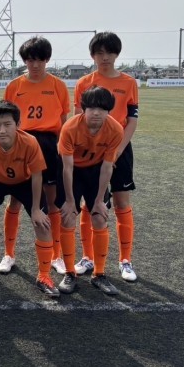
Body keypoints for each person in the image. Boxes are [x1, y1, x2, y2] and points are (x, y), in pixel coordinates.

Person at [0, 101, 59, 297]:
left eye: (7, 124)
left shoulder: (29, 142)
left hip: (25, 181)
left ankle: (44, 276)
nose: (2, 130)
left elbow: (37, 175)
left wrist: (36, 209)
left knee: (43, 224)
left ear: (18, 124)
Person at [73, 32, 139, 282]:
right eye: (99, 53)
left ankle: (125, 260)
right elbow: (78, 119)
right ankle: (88, 257)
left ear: (116, 54)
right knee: (90, 203)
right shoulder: (84, 82)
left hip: (120, 148)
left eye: (110, 52)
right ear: (92, 55)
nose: (105, 57)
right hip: (90, 151)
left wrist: (118, 148)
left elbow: (132, 120)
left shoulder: (129, 83)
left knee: (121, 202)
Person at [3, 36, 70, 276]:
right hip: (21, 143)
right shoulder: (14, 86)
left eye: (39, 60)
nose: (34, 65)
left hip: (49, 144)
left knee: (52, 201)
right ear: (24, 61)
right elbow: (6, 119)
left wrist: (60, 148)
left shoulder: (58, 85)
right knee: (15, 200)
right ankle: (8, 254)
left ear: (47, 59)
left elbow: (63, 119)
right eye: (30, 60)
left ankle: (56, 255)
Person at [56, 86, 124, 295]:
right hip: (73, 171)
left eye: (102, 109)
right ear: (83, 109)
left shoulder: (115, 130)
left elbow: (107, 166)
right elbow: (67, 167)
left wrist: (99, 200)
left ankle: (99, 274)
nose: (96, 113)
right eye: (92, 108)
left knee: (99, 217)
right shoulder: (70, 127)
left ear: (108, 110)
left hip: (96, 171)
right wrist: (70, 201)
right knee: (68, 217)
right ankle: (69, 273)